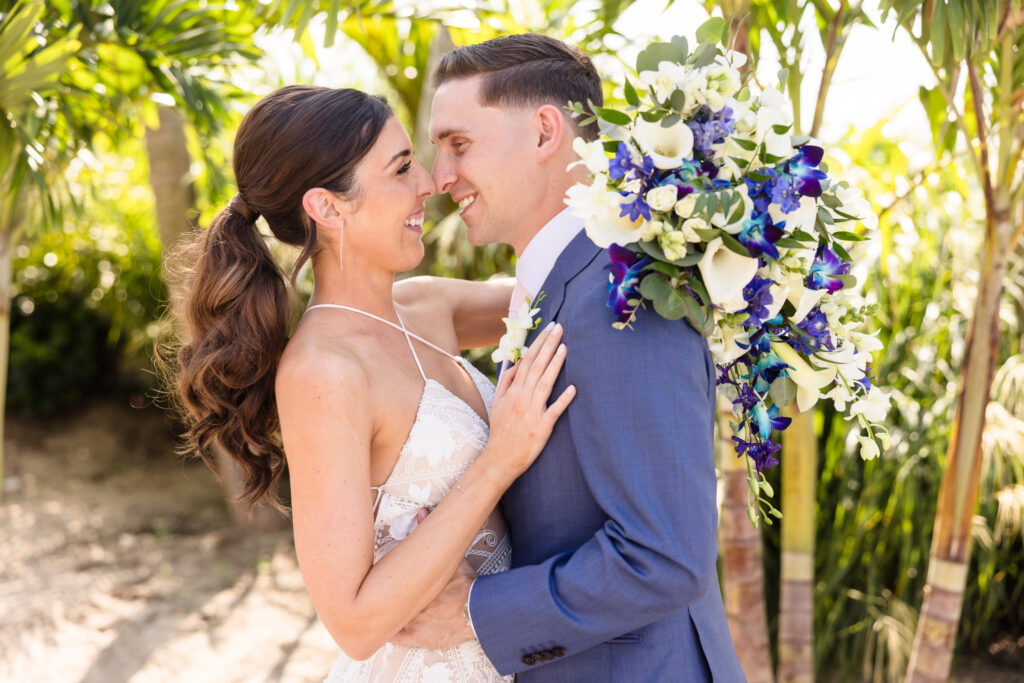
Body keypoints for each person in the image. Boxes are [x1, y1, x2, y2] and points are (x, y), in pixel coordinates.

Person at [172, 85, 576, 682]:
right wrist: (499, 460)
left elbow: (568, 286)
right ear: (327, 207)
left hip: (516, 653)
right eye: (401, 168)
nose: (429, 184)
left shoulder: (427, 306)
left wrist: (672, 206)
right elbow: (354, 624)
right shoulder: (322, 373)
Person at [391, 34, 746, 681]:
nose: (440, 178)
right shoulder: (559, 283)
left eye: (458, 144)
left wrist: (476, 611)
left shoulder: (623, 295)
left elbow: (665, 554)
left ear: (545, 132)